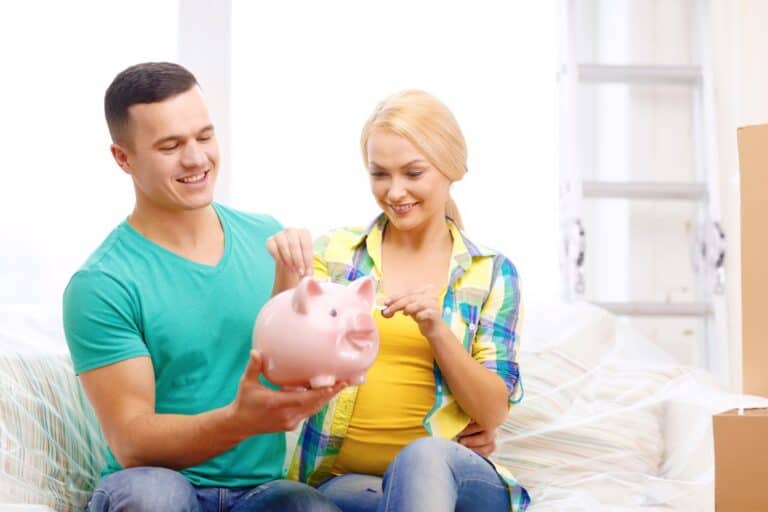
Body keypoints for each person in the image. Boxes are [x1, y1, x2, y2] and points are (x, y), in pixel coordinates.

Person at [62, 62, 344, 512]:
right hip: (157, 482)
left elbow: (286, 371)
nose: (196, 159)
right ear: (123, 158)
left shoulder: (266, 239)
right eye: (170, 146)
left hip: (260, 490)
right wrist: (238, 421)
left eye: (204, 136)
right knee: (151, 498)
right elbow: (133, 441)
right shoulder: (101, 283)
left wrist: (294, 291)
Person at [285, 90, 531, 511]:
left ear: (452, 169)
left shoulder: (490, 273)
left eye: (413, 173)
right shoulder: (337, 255)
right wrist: (286, 274)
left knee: (423, 457)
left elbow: (490, 413)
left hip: (458, 481)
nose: (395, 191)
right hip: (349, 484)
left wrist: (436, 330)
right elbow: (291, 361)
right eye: (380, 174)